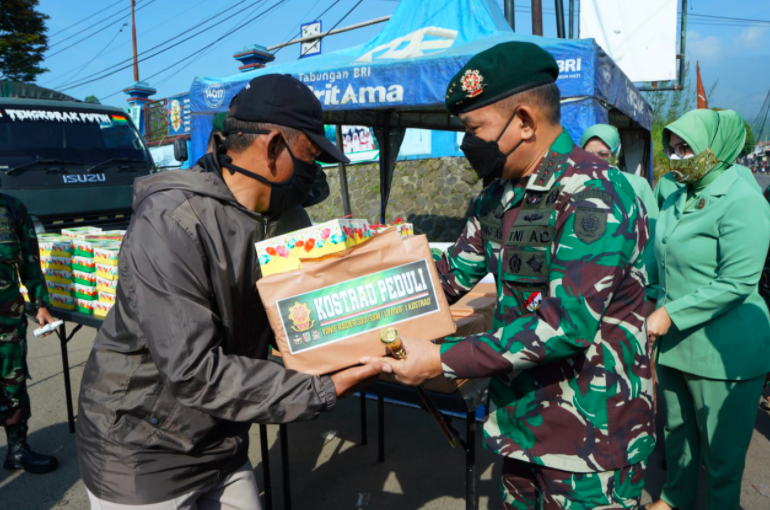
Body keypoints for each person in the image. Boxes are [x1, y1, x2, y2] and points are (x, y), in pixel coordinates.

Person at [363, 41, 654, 508]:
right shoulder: (496, 197)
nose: (467, 143)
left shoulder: (593, 194)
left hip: (591, 442)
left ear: (524, 121)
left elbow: (562, 327)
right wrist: (358, 303)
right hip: (520, 427)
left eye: (475, 128)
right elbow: (449, 277)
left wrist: (439, 359)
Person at [76, 74, 384, 509]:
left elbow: (306, 308)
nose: (315, 172)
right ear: (274, 146)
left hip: (221, 433)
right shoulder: (171, 222)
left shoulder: (286, 216)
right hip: (141, 450)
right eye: (310, 156)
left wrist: (371, 323)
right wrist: (321, 390)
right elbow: (192, 371)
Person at [645, 109, 770, 510]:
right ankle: (674, 498)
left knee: (722, 456)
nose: (679, 156)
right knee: (678, 434)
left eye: (688, 148)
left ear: (715, 148)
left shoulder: (742, 199)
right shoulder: (679, 196)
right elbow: (657, 257)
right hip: (676, 344)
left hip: (723, 349)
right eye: (674, 148)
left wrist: (668, 313)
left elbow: (738, 282)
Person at [0, 194, 58, 474]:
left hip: (7, 320)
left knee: (13, 381)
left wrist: (40, 304)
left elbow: (30, 260)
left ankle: (18, 451)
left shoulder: (12, 208)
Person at [580, 123, 659, 308]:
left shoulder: (636, 186)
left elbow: (651, 239)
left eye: (603, 154)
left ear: (616, 152)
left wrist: (652, 292)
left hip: (625, 290)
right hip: (580, 288)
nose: (595, 161)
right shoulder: (572, 187)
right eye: (587, 154)